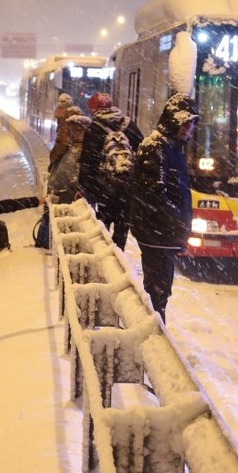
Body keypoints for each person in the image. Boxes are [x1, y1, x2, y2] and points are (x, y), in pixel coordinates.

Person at [130, 93, 199, 323]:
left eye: (192, 123)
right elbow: (154, 197)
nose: (189, 128)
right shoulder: (156, 147)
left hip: (162, 234)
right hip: (155, 235)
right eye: (185, 122)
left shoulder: (172, 147)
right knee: (157, 292)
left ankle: (155, 331)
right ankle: (154, 339)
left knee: (161, 291)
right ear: (173, 120)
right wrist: (178, 221)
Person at [76, 92, 144, 250]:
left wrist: (83, 188)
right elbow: (141, 153)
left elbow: (88, 162)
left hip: (103, 190)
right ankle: (118, 257)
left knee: (101, 229)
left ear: (93, 110)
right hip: (126, 190)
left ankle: (103, 262)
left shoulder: (94, 129)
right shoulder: (129, 125)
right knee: (121, 231)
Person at [47, 105, 91, 204]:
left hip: (69, 164)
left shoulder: (68, 124)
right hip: (82, 166)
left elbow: (62, 145)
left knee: (58, 192)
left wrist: (52, 159)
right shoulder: (87, 126)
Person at [48, 93, 75, 172]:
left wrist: (52, 158)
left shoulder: (65, 122)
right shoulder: (74, 117)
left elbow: (63, 144)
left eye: (58, 108)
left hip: (68, 161)